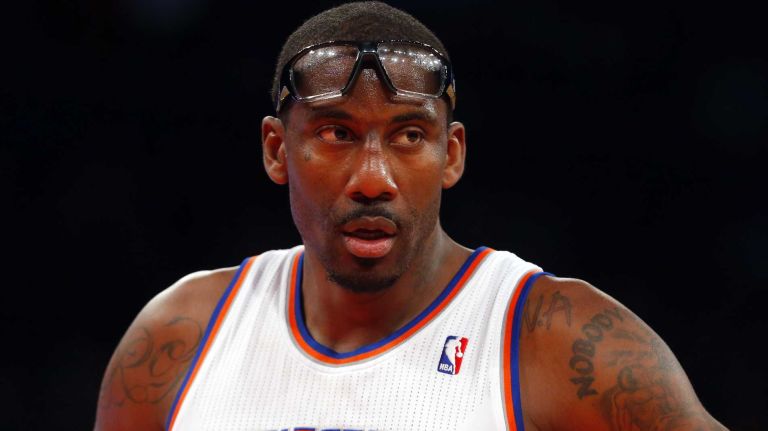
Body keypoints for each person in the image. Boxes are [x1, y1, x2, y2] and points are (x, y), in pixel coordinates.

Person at [94, 2, 727, 430]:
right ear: (276, 150)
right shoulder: (180, 338)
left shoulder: (559, 340)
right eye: (337, 133)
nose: (374, 179)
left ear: (451, 154)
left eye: (409, 136)